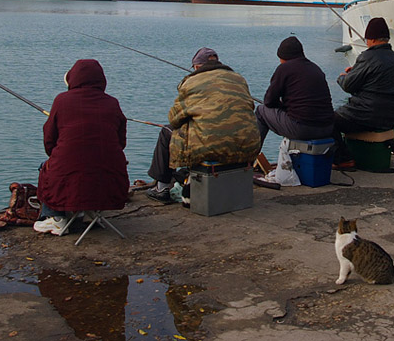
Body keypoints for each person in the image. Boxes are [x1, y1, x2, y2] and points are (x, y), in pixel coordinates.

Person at [146, 47, 260, 203]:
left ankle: (162, 187)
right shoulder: (239, 79)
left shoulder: (191, 81)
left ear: (197, 66)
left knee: (167, 131)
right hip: (248, 146)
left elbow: (174, 118)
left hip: (211, 146)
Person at [34, 59, 129, 235]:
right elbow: (120, 142)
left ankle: (55, 218)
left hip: (70, 178)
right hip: (111, 184)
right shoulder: (112, 103)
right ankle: (89, 214)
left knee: (47, 166)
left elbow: (49, 140)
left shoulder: (61, 101)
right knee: (91, 166)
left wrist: (56, 155)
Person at [332, 17, 394, 166]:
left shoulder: (368, 56)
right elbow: (377, 82)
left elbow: (348, 85)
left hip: (364, 115)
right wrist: (357, 72)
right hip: (389, 117)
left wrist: (343, 77)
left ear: (371, 39)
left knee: (327, 120)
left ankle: (344, 158)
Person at [255, 36, 333, 145]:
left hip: (302, 129)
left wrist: (282, 106)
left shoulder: (284, 68)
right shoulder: (315, 68)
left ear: (283, 57)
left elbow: (269, 101)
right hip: (328, 128)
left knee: (260, 111)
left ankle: (249, 157)